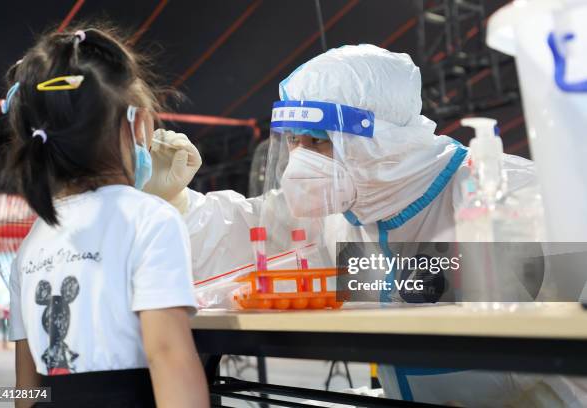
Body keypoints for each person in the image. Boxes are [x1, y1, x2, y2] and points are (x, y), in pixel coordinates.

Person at [147, 44, 586, 407]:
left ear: (378, 139)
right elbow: (247, 233)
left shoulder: (506, 193)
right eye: (295, 142)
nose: (300, 159)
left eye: (318, 140)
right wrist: (177, 202)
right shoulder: (336, 218)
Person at [3, 26, 208, 408]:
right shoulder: (152, 220)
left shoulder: (32, 243)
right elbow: (168, 356)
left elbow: (25, 387)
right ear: (140, 123)